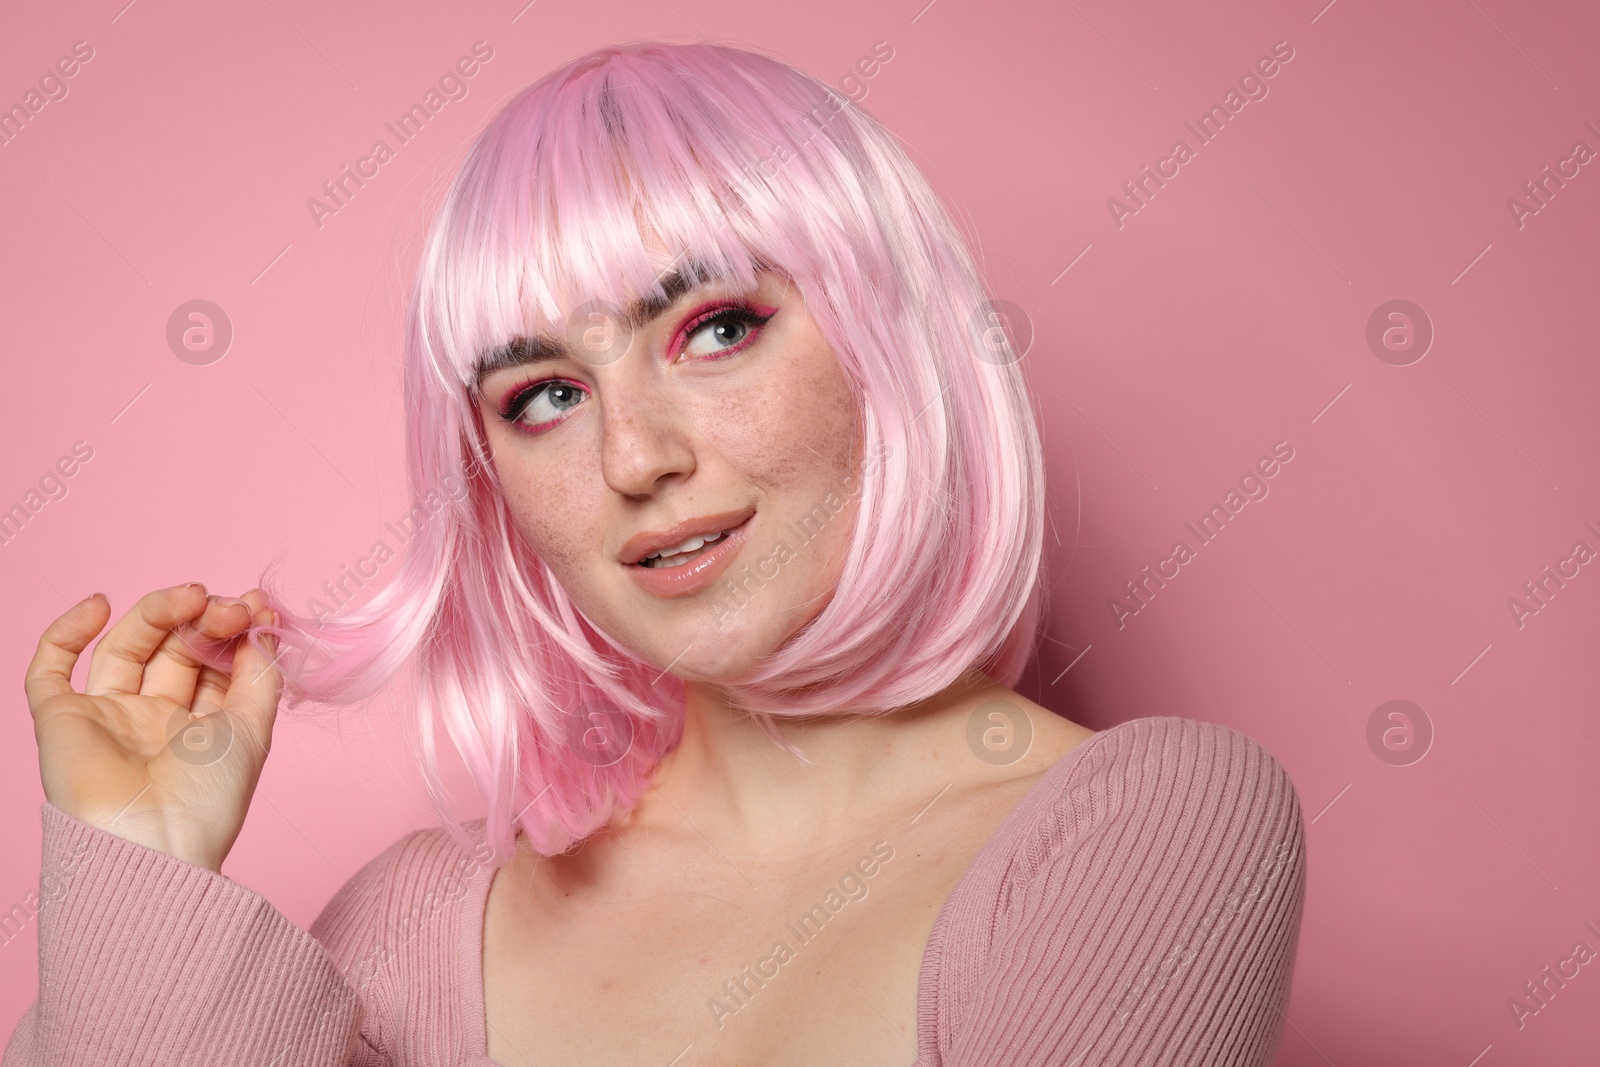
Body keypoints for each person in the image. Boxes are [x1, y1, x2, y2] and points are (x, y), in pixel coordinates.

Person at [7, 39, 1306, 1067]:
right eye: (545, 398)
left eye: (716, 327)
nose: (634, 459)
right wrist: (143, 871)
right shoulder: (418, 925)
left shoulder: (1141, 827)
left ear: (887, 345)